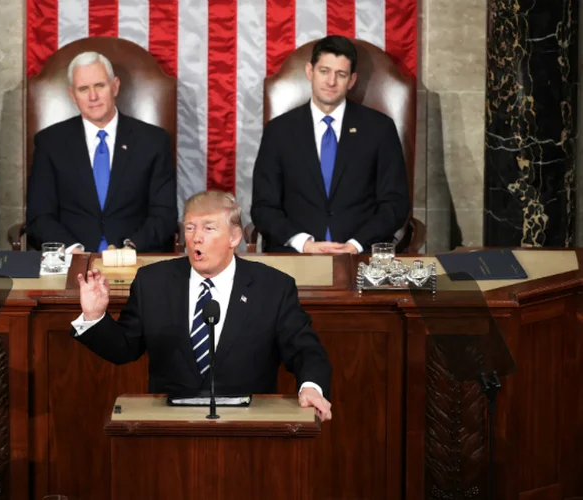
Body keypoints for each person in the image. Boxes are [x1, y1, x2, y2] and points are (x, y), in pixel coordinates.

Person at [70, 190, 333, 421]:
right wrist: (94, 317)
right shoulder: (153, 282)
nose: (196, 238)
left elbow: (305, 350)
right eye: (190, 228)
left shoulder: (273, 287)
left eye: (208, 228)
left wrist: (311, 387)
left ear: (234, 237)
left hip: (249, 427)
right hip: (169, 428)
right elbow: (124, 348)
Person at [251, 35, 410, 254]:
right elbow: (263, 207)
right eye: (324, 71)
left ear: (352, 80)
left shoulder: (379, 129)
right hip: (296, 255)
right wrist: (302, 243)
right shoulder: (279, 131)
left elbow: (395, 204)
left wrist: (355, 245)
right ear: (310, 72)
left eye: (341, 74)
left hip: (360, 255)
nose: (331, 82)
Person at [26, 51, 178, 253]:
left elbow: (164, 214)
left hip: (134, 258)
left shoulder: (153, 141)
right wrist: (73, 249)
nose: (93, 97)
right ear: (73, 95)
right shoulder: (50, 143)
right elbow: (39, 216)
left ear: (115, 86)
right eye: (83, 89)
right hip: (73, 259)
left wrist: (131, 247)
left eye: (100, 85)